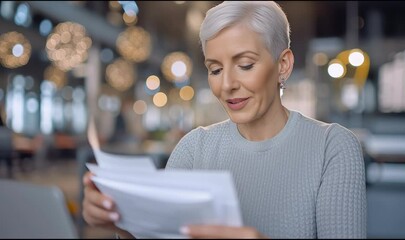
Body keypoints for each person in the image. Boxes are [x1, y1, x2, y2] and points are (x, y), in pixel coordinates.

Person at [82, 1, 367, 238]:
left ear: (283, 65)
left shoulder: (332, 147)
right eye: (215, 69)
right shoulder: (194, 149)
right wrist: (122, 222)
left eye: (245, 65)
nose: (227, 84)